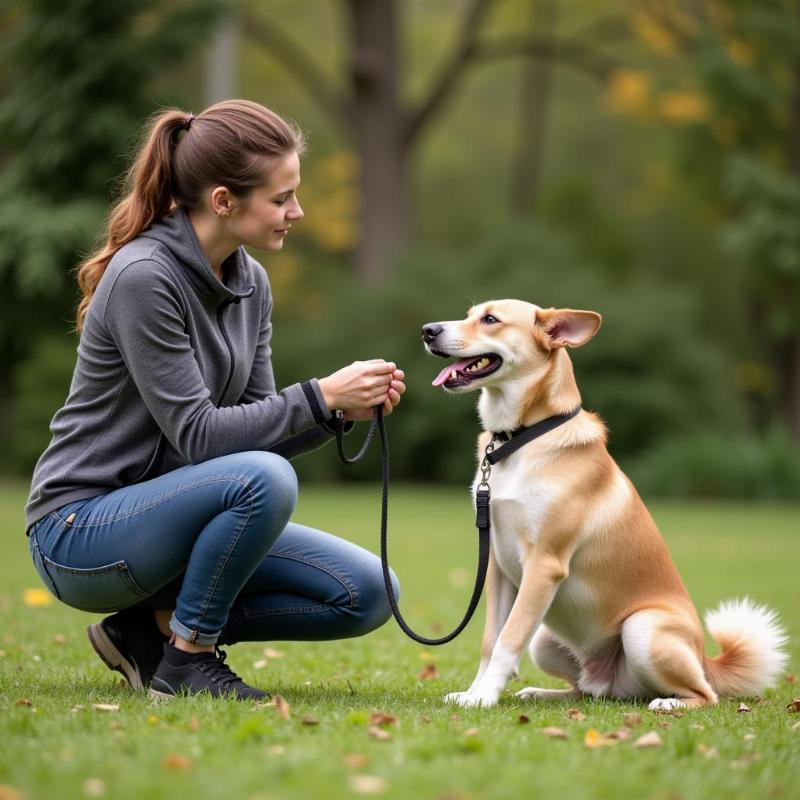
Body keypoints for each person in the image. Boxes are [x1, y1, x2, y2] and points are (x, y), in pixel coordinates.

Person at [24, 99, 405, 701]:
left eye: (294, 194)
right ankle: (188, 660)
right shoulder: (145, 276)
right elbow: (201, 437)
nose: (296, 212)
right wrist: (319, 395)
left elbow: (252, 425)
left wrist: (337, 412)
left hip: (177, 523)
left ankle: (148, 637)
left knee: (367, 590)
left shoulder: (249, 281)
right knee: (264, 478)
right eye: (281, 199)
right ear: (224, 201)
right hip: (80, 532)